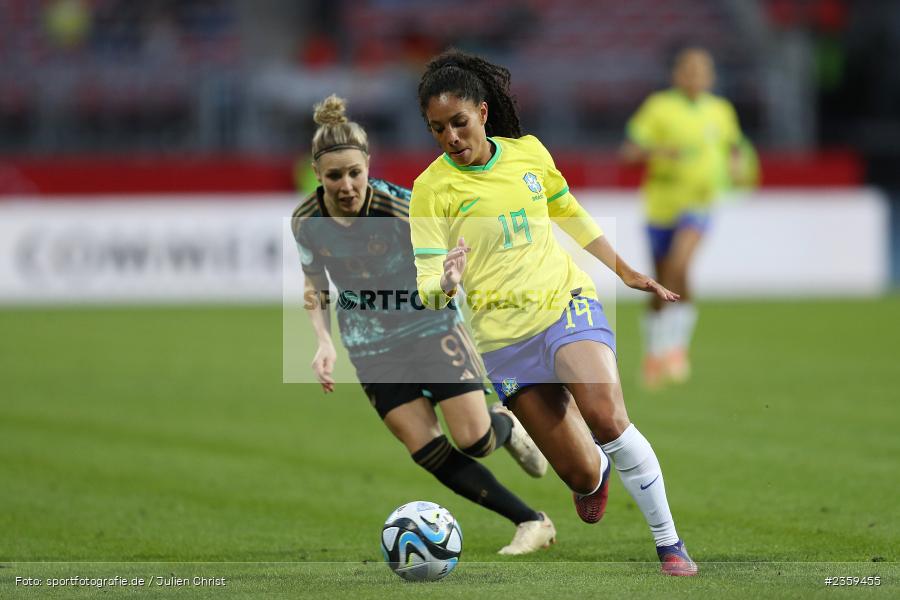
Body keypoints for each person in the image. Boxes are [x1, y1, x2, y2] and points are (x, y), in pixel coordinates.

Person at [410, 50, 698, 576]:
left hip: (564, 304)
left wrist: (624, 269)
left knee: (608, 418)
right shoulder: (431, 190)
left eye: (459, 122)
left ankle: (670, 544)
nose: (451, 137)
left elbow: (565, 208)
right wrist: (445, 283)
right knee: (581, 475)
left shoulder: (528, 154)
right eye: (437, 129)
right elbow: (427, 283)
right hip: (503, 341)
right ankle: (597, 474)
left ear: (482, 112)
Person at [292, 94, 555, 556]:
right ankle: (531, 522)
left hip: (430, 327)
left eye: (355, 173)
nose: (347, 185)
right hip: (371, 346)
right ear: (318, 175)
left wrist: (451, 278)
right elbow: (316, 286)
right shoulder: (306, 221)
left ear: (368, 167)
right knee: (424, 448)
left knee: (474, 440)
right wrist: (322, 341)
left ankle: (506, 426)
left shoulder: (401, 208)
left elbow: (457, 248)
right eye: (335, 176)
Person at [621, 47, 753, 389]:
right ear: (677, 74)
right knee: (660, 283)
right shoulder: (659, 107)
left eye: (702, 70)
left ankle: (676, 348)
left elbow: (734, 146)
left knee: (680, 265)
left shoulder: (721, 111)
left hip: (699, 203)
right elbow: (629, 151)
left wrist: (737, 166)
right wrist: (657, 152)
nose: (696, 76)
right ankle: (654, 352)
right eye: (689, 70)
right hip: (660, 206)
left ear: (711, 76)